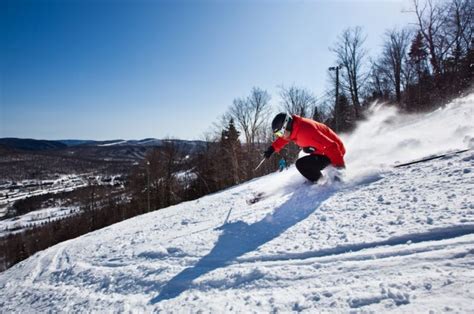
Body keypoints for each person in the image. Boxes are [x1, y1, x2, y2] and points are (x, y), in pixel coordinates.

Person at [264, 112, 346, 182]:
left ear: (287, 125)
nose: (281, 136)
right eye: (278, 134)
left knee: (302, 164)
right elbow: (284, 139)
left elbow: (332, 146)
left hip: (334, 151)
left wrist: (339, 169)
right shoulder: (294, 128)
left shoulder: (306, 132)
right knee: (305, 152)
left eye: (280, 133)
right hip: (322, 150)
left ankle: (321, 182)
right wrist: (272, 148)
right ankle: (319, 179)